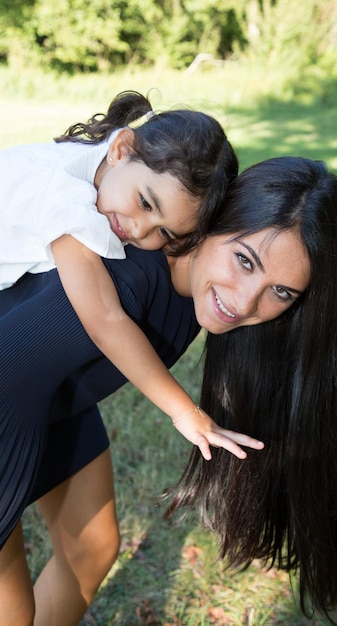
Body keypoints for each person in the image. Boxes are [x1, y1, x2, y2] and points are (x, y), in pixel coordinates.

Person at [0, 159, 337, 626]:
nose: (243, 302)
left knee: (92, 549)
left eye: (281, 291)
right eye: (243, 260)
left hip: (49, 397)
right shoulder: (125, 285)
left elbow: (295, 243)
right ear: (215, 218)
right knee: (11, 611)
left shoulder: (258, 242)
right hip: (7, 392)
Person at [0, 89, 265, 518]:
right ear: (124, 147)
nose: (140, 232)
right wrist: (186, 413)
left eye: (164, 233)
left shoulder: (103, 169)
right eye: (146, 203)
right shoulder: (66, 200)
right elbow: (104, 318)